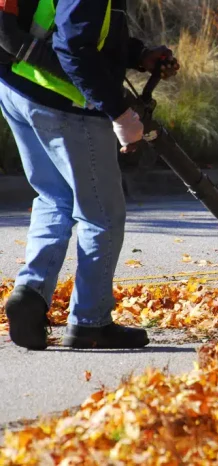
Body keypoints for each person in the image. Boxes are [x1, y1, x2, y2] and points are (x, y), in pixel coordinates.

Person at [0, 0, 179, 350]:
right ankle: (90, 323)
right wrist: (120, 113)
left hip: (18, 87)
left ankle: (31, 294)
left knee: (56, 198)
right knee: (102, 214)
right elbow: (73, 47)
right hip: (61, 102)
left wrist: (138, 53)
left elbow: (77, 29)